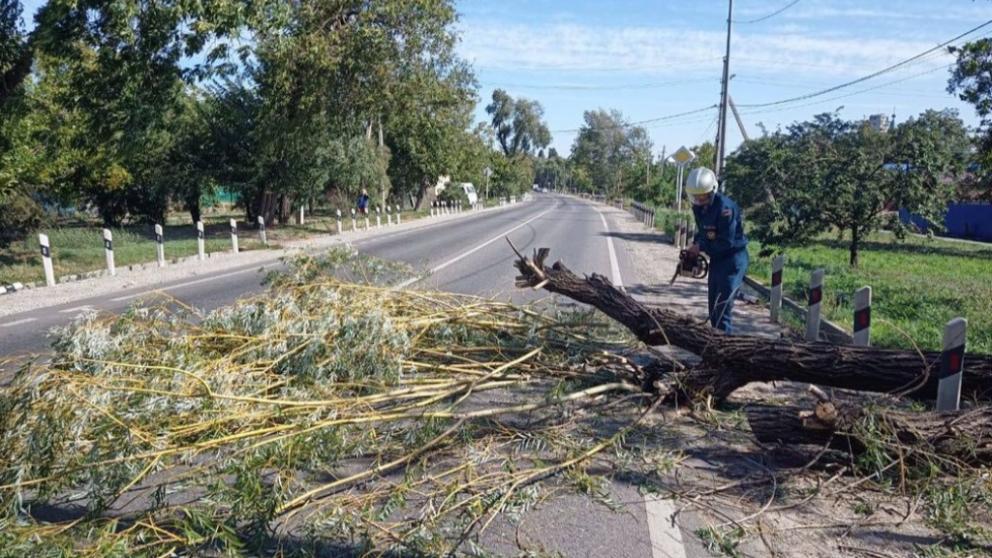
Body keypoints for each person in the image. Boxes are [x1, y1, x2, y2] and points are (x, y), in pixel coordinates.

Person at [684, 167, 749, 333]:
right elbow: (703, 231)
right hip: (717, 259)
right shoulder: (699, 207)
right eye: (695, 196)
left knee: (722, 310)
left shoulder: (726, 209)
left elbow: (726, 242)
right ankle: (715, 344)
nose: (699, 199)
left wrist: (702, 247)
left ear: (712, 190)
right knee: (713, 308)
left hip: (732, 259)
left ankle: (725, 351)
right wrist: (695, 247)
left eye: (703, 195)